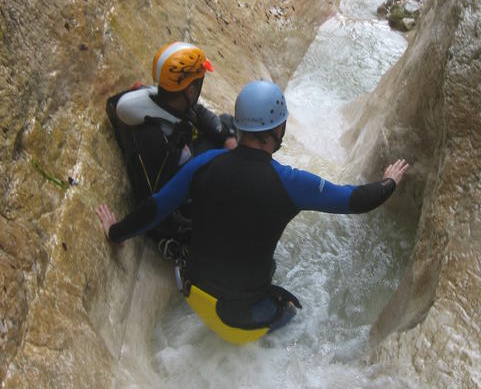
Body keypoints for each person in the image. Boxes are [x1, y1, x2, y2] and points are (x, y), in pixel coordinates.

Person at [96, 79, 409, 344]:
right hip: (240, 321)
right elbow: (355, 200)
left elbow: (155, 208)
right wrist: (389, 182)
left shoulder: (203, 164)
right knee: (299, 318)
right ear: (277, 129)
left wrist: (115, 232)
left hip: (194, 295)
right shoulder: (291, 183)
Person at [105, 41, 237, 259]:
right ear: (191, 90)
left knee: (228, 125)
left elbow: (197, 112)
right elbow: (155, 203)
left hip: (181, 161)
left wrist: (227, 138)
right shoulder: (159, 142)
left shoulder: (161, 98)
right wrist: (117, 232)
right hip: (176, 195)